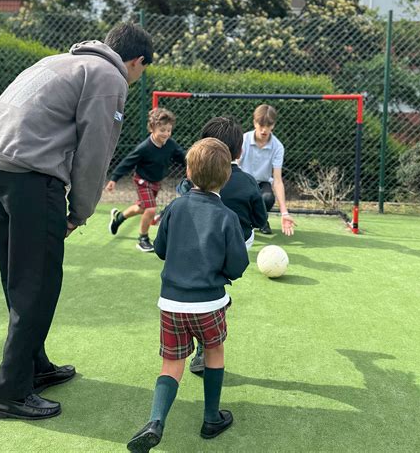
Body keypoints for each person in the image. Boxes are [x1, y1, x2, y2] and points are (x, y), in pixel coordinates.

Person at [0, 22, 153, 420]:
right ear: (136, 61)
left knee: (19, 275)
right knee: (38, 281)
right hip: (31, 174)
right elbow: (95, 150)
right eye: (141, 70)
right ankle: (10, 393)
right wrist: (80, 211)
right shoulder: (110, 76)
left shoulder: (60, 61)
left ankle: (33, 366)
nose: (137, 78)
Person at [126, 138, 249, 452]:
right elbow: (237, 266)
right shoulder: (227, 217)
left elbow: (162, 250)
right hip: (209, 304)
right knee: (214, 352)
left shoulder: (175, 207)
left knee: (171, 364)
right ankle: (211, 418)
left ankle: (155, 421)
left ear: (189, 173)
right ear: (227, 177)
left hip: (171, 304)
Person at [176, 116, 267, 374]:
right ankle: (208, 339)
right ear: (239, 151)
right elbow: (260, 220)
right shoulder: (248, 181)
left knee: (205, 279)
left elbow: (183, 198)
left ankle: (199, 342)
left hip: (200, 244)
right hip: (237, 245)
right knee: (215, 288)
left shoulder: (189, 183)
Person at [105, 107, 185, 252]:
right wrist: (114, 179)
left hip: (155, 182)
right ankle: (143, 239)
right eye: (162, 130)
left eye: (168, 130)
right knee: (151, 209)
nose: (166, 133)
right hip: (142, 181)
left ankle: (119, 218)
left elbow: (183, 157)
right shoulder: (144, 148)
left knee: (142, 208)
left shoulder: (170, 145)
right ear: (152, 128)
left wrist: (194, 165)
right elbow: (127, 162)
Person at [240, 104, 295, 236]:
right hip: (243, 181)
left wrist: (284, 213)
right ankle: (243, 221)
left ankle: (260, 220)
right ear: (254, 123)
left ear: (273, 125)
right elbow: (233, 167)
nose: (264, 130)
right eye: (261, 125)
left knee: (268, 198)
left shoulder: (278, 147)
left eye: (268, 126)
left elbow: (277, 180)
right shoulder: (243, 140)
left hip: (262, 183)